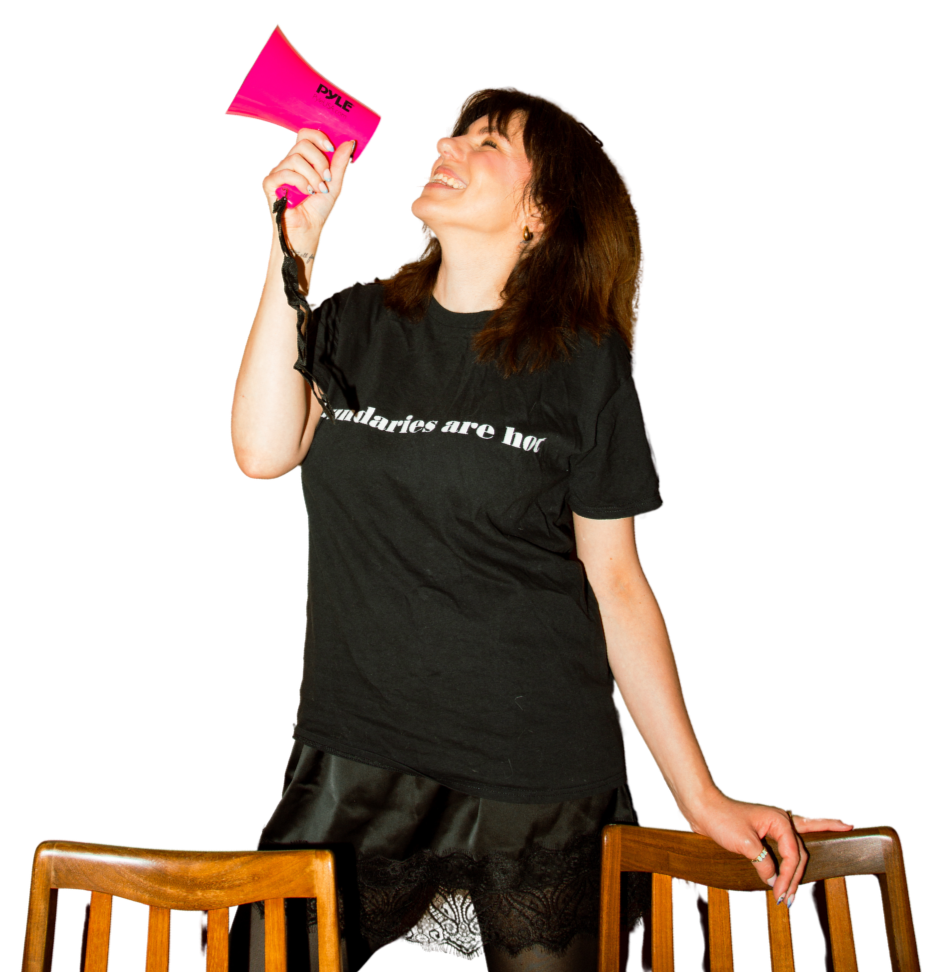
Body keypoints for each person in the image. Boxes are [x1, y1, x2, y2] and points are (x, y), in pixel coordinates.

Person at [229, 87, 854, 971]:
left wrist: (700, 794)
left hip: (535, 773)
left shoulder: (582, 360)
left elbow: (615, 581)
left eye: (485, 142)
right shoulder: (357, 323)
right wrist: (288, 256)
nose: (445, 146)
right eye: (449, 133)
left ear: (540, 210)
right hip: (356, 753)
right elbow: (260, 452)